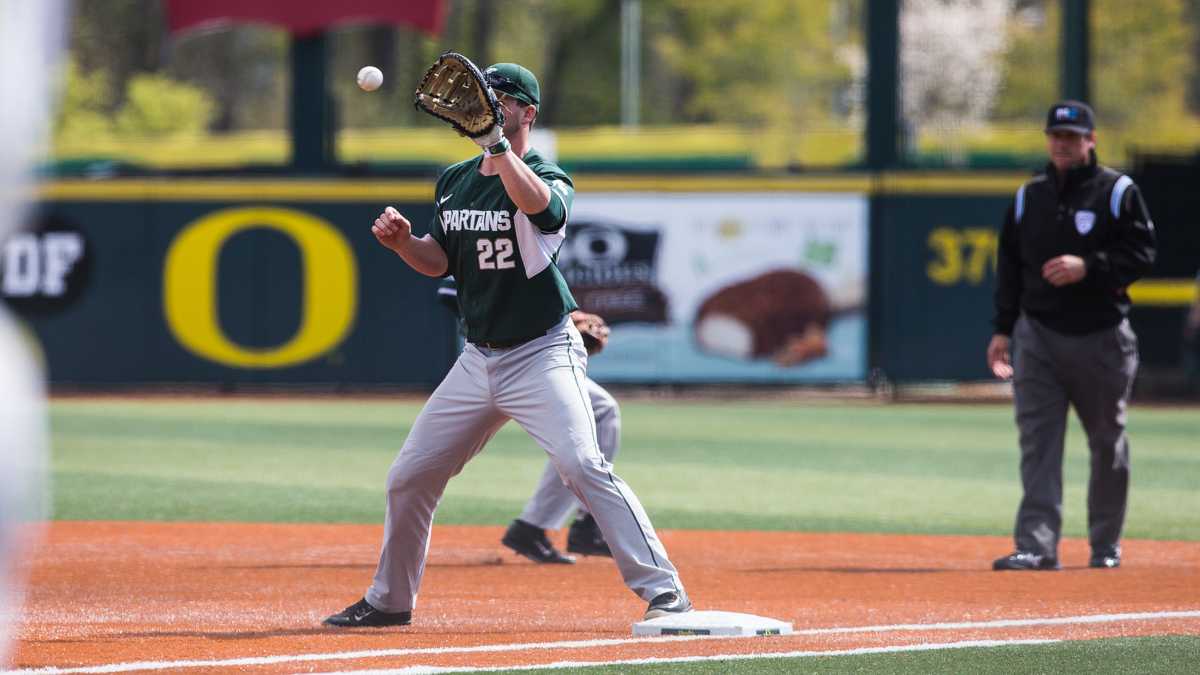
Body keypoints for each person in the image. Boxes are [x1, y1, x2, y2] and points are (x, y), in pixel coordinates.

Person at [324, 62, 689, 627]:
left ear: (528, 112)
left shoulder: (547, 173)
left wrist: (499, 148)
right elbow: (439, 261)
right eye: (482, 93)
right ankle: (390, 601)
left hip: (541, 353)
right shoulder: (454, 179)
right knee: (409, 477)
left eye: (501, 96)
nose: (486, 102)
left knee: (581, 464)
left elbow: (544, 208)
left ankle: (664, 591)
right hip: (478, 359)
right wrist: (404, 245)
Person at [987, 100, 1156, 571]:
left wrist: (1091, 267)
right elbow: (1010, 270)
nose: (1063, 143)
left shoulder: (1117, 192)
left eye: (1072, 136)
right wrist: (1003, 328)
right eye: (1056, 136)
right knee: (1038, 442)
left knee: (1107, 441)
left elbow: (1143, 254)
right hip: (1037, 335)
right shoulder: (1029, 197)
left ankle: (1105, 544)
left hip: (1100, 336)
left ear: (1091, 140)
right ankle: (1037, 545)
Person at [438, 277, 616, 564]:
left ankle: (561, 525)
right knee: (426, 465)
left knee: (602, 410)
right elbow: (449, 290)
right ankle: (553, 526)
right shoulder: (488, 233)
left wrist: (566, 317)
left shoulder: (538, 236)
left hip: (534, 357)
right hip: (498, 359)